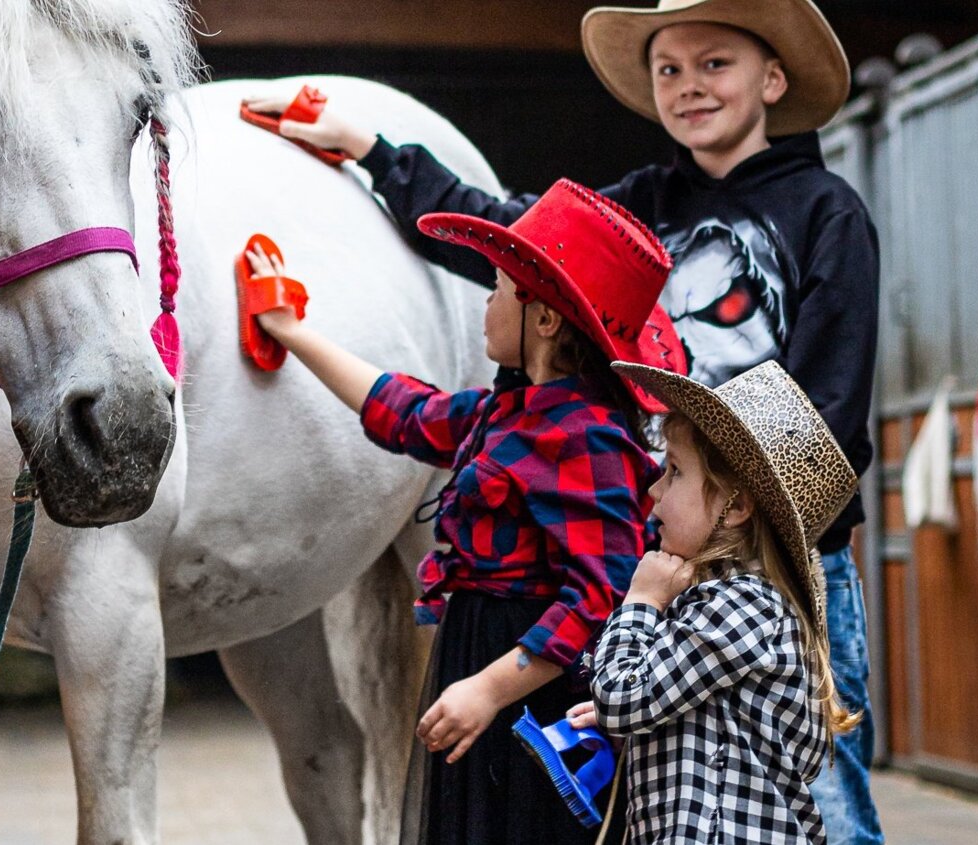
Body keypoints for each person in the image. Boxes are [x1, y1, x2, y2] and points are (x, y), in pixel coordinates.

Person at [242, 1, 883, 838]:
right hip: (659, 551)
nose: (688, 85)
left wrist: (735, 538)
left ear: (771, 78)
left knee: (816, 793)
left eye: (713, 64)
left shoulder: (825, 213)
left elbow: (827, 412)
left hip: (782, 562)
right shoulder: (642, 204)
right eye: (668, 69)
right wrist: (371, 151)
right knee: (673, 796)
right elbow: (525, 240)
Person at [245, 179, 683, 844]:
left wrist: (489, 689)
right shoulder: (502, 414)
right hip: (480, 656)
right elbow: (402, 411)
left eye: (501, 286)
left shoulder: (582, 433)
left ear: (543, 319)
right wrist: (291, 331)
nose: (485, 299)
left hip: (534, 690)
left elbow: (601, 595)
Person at [567, 359, 860, 844]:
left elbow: (622, 698)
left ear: (738, 506)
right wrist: (647, 704)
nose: (654, 489)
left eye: (674, 471)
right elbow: (690, 705)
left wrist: (640, 601)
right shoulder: (729, 605)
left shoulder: (740, 607)